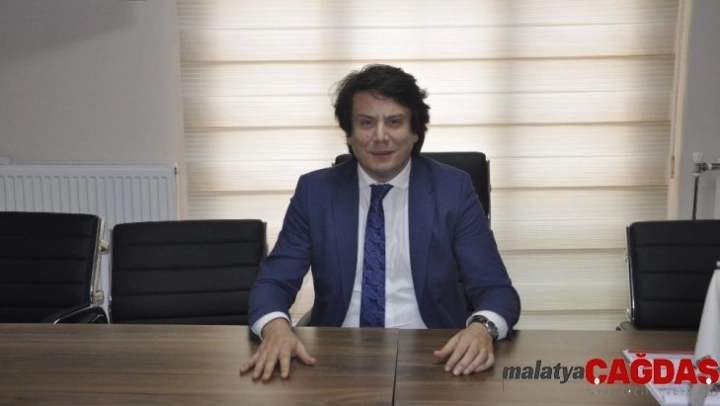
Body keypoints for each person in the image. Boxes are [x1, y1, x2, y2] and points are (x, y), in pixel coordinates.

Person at [240, 64, 520, 381]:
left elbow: (495, 290)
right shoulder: (315, 192)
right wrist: (276, 327)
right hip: (335, 357)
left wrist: (482, 329)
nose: (380, 136)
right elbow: (274, 282)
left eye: (394, 122)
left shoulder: (453, 189)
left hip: (439, 356)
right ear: (349, 133)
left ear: (415, 131)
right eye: (366, 123)